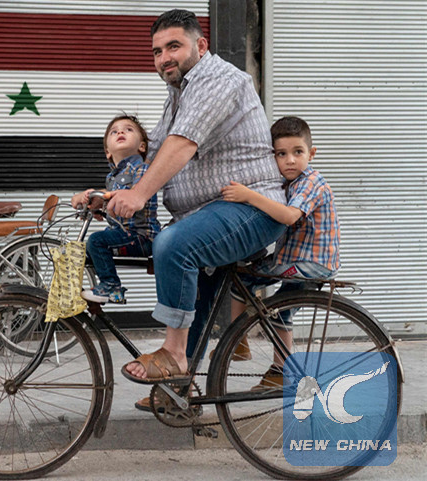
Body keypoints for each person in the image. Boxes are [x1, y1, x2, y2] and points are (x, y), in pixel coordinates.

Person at [106, 9, 287, 389]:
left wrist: (139, 194)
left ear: (201, 46)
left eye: (174, 46)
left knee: (173, 244)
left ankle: (173, 354)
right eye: (157, 51)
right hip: (209, 213)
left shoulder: (220, 79)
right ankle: (180, 391)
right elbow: (154, 148)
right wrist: (110, 193)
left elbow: (182, 143)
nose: (164, 58)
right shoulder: (178, 92)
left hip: (249, 208)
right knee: (196, 298)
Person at [221, 116, 340, 390]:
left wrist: (248, 195)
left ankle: (238, 343)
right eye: (281, 154)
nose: (290, 161)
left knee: (248, 282)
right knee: (278, 311)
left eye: (298, 152)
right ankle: (276, 370)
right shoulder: (288, 183)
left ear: (311, 153)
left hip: (310, 263)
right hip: (299, 260)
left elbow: (288, 216)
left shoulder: (311, 182)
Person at [72, 114, 161, 304]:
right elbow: (115, 205)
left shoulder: (142, 169)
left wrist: (99, 196)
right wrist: (97, 206)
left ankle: (111, 286)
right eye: (114, 132)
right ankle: (97, 295)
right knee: (89, 249)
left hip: (142, 235)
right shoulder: (112, 177)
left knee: (97, 241)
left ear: (142, 146)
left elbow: (133, 196)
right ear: (107, 152)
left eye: (128, 129)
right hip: (125, 232)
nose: (121, 132)